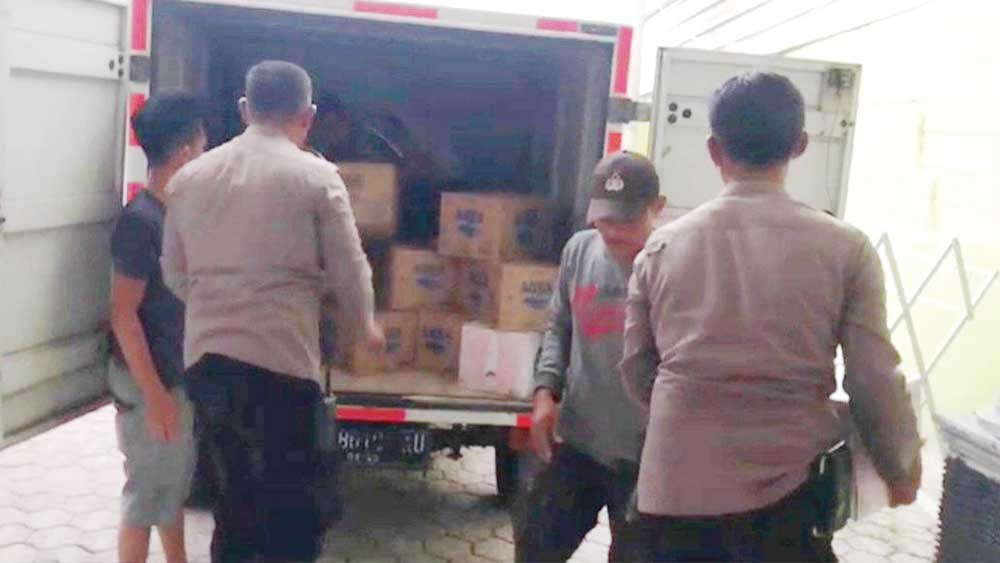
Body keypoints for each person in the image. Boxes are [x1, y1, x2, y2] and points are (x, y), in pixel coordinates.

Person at [620, 71, 923, 562]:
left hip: (672, 492)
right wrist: (901, 468)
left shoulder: (661, 248)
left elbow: (636, 368)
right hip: (786, 500)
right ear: (799, 145)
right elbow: (873, 378)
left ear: (714, 150)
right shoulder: (846, 249)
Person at [161, 60, 384, 563]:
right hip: (282, 366)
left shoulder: (188, 179)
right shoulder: (317, 177)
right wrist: (364, 326)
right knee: (293, 508)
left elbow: (175, 275)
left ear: (245, 109)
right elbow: (349, 268)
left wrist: (217, 306)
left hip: (208, 368)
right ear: (308, 117)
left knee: (235, 500)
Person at [515, 151, 665, 563]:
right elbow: (558, 326)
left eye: (626, 221)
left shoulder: (671, 266)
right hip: (577, 441)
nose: (612, 231)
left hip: (645, 456)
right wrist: (545, 392)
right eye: (604, 219)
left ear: (657, 208)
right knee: (535, 545)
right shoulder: (580, 251)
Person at [109, 92, 207, 563]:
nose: (206, 156)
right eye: (203, 147)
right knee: (144, 500)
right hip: (148, 380)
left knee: (170, 488)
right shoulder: (140, 222)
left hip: (171, 376)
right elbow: (123, 314)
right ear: (184, 154)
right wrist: (155, 397)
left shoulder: (174, 214)